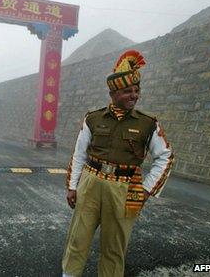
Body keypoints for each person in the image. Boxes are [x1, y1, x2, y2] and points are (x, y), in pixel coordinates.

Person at [61, 50, 174, 277]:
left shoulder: (147, 123)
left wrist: (145, 190)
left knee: (114, 249)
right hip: (90, 184)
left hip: (125, 189)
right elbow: (79, 154)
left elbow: (166, 156)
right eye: (127, 91)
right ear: (113, 94)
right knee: (77, 239)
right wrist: (73, 186)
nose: (134, 95)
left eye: (136, 90)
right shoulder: (93, 118)